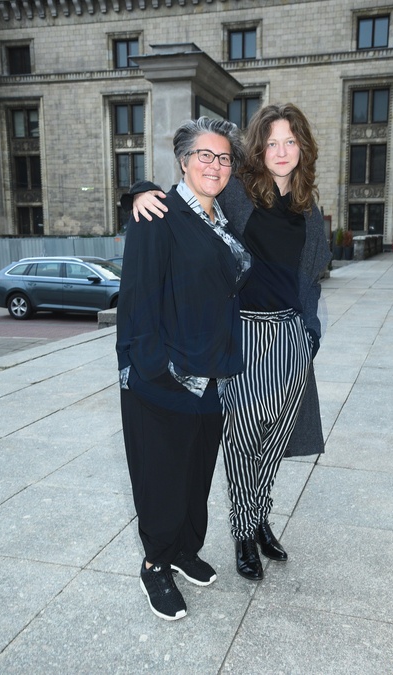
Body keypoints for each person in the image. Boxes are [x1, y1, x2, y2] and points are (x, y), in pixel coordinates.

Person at [124, 103, 331, 583]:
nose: (281, 151)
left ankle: (259, 517)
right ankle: (242, 532)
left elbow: (310, 279)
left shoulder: (308, 210)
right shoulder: (241, 192)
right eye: (272, 142)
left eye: (290, 142)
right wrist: (139, 190)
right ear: (258, 149)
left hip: (290, 335)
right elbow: (194, 187)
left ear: (303, 148)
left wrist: (310, 332)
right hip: (245, 333)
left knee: (276, 437)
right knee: (242, 439)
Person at [116, 116, 251, 621]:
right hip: (165, 376)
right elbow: (138, 296)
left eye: (224, 158)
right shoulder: (157, 213)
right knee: (162, 478)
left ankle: (183, 550)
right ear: (183, 160)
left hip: (213, 373)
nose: (215, 165)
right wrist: (154, 370)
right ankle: (155, 563)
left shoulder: (222, 217)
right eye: (204, 155)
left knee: (195, 474)